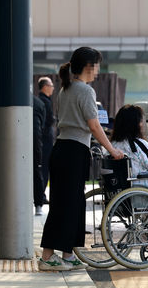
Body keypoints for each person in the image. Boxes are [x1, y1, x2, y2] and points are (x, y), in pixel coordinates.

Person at [39, 47, 124, 271]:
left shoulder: (65, 89)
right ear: (88, 66)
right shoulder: (85, 91)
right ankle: (47, 257)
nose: (97, 70)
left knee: (70, 203)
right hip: (74, 152)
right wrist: (112, 150)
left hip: (62, 149)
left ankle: (67, 256)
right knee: (66, 205)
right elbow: (94, 126)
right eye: (96, 65)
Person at [36, 77, 55, 207]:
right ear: (45, 86)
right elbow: (49, 121)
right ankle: (40, 195)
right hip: (45, 141)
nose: (53, 88)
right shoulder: (44, 102)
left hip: (42, 140)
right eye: (51, 85)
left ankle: (40, 194)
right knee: (43, 167)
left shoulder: (41, 100)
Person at [33, 95, 46, 216]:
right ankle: (38, 205)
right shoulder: (39, 103)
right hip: (36, 142)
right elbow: (43, 124)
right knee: (37, 171)